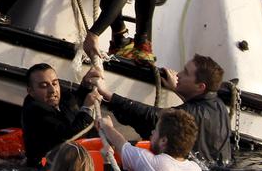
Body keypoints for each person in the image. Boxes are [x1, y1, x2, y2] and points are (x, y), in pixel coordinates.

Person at [86, 54, 233, 165]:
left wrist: (108, 94)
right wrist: (178, 90)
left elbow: (153, 117)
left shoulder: (193, 113)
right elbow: (197, 109)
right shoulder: (219, 106)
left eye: (186, 73)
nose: (178, 74)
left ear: (200, 87)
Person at [101, 108, 204, 171]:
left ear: (163, 141)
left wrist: (107, 126)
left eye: (156, 130)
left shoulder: (151, 162)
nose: (152, 132)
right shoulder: (197, 170)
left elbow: (121, 144)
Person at [20, 63, 96, 166]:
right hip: (46, 167)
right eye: (44, 86)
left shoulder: (57, 96)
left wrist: (86, 87)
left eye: (55, 83)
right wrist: (87, 109)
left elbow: (73, 102)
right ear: (31, 91)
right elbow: (70, 136)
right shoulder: (35, 111)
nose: (52, 90)